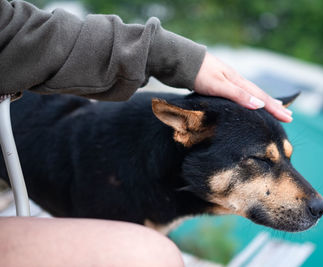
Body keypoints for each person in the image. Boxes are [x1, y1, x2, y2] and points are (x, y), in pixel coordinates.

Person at [0, 1, 293, 266]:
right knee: (153, 257)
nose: (311, 196)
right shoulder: (106, 188)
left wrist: (179, 60)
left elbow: (17, 31)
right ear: (185, 128)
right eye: (263, 160)